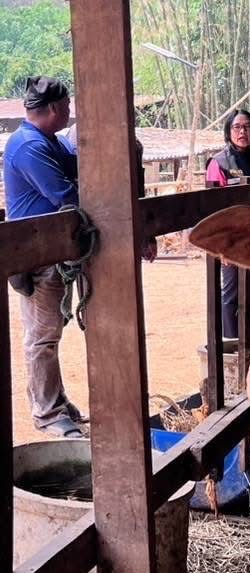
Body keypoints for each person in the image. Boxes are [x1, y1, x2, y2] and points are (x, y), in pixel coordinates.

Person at [4, 76, 154, 438]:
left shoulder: (50, 142)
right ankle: (47, 413)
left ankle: (58, 403)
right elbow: (66, 194)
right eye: (68, 105)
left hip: (56, 253)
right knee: (42, 337)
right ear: (56, 108)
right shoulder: (28, 146)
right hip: (38, 256)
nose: (70, 111)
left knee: (50, 333)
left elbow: (86, 166)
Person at [205, 109, 250, 339]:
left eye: (247, 127)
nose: (242, 132)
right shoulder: (219, 163)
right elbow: (213, 208)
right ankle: (233, 345)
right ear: (229, 131)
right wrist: (221, 246)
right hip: (231, 241)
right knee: (232, 294)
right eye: (237, 127)